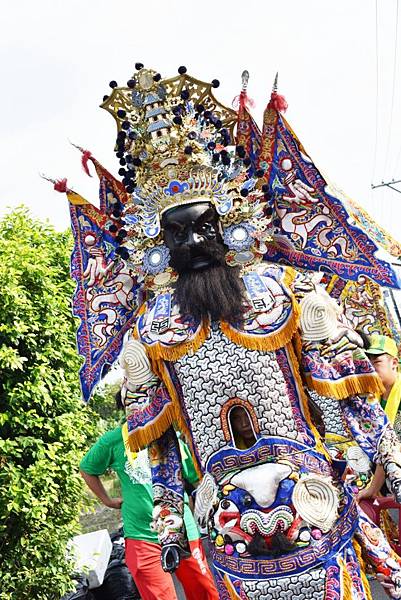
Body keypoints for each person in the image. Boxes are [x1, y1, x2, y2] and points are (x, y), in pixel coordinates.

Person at [59, 65, 401, 598]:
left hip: (314, 503)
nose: (193, 242)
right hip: (229, 526)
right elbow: (161, 448)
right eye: (177, 234)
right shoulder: (154, 331)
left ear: (233, 222)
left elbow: (347, 398)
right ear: (157, 244)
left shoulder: (278, 294)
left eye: (204, 226)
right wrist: (172, 520)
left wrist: (382, 460)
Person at [80, 392, 218, 600]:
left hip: (182, 530)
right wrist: (107, 501)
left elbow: (195, 478)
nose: (140, 406)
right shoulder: (114, 440)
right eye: (132, 401)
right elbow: (87, 468)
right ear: (124, 407)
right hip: (142, 536)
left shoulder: (172, 437)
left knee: (206, 592)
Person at [358, 334, 401, 502]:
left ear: (394, 363)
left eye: (377, 362)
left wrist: (373, 488)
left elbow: (392, 446)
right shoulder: (376, 396)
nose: (372, 368)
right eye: (368, 363)